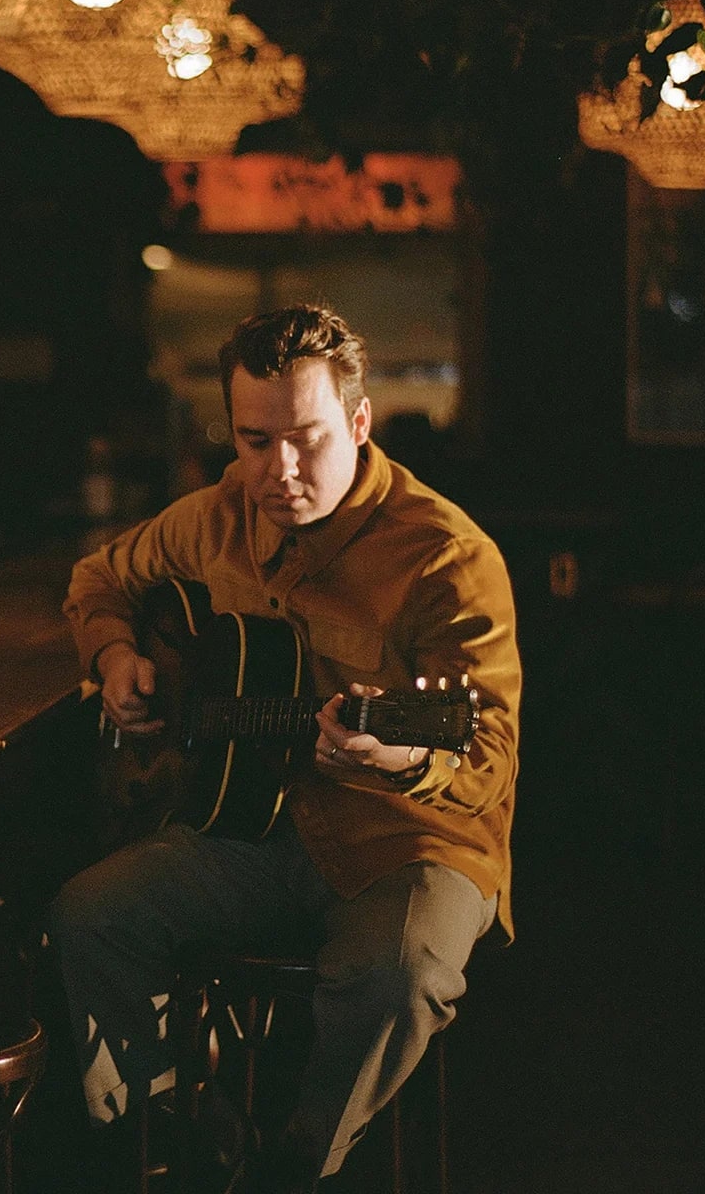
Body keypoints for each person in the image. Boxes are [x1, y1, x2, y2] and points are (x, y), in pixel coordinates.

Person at [50, 305, 520, 1191]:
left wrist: (398, 758)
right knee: (91, 916)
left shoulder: (446, 556)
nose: (280, 471)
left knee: (399, 974)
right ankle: (202, 1149)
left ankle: (298, 1166)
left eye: (306, 439)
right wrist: (114, 657)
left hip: (407, 836)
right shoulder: (218, 515)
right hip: (256, 825)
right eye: (255, 441)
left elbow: (488, 754)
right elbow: (99, 576)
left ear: (359, 422)